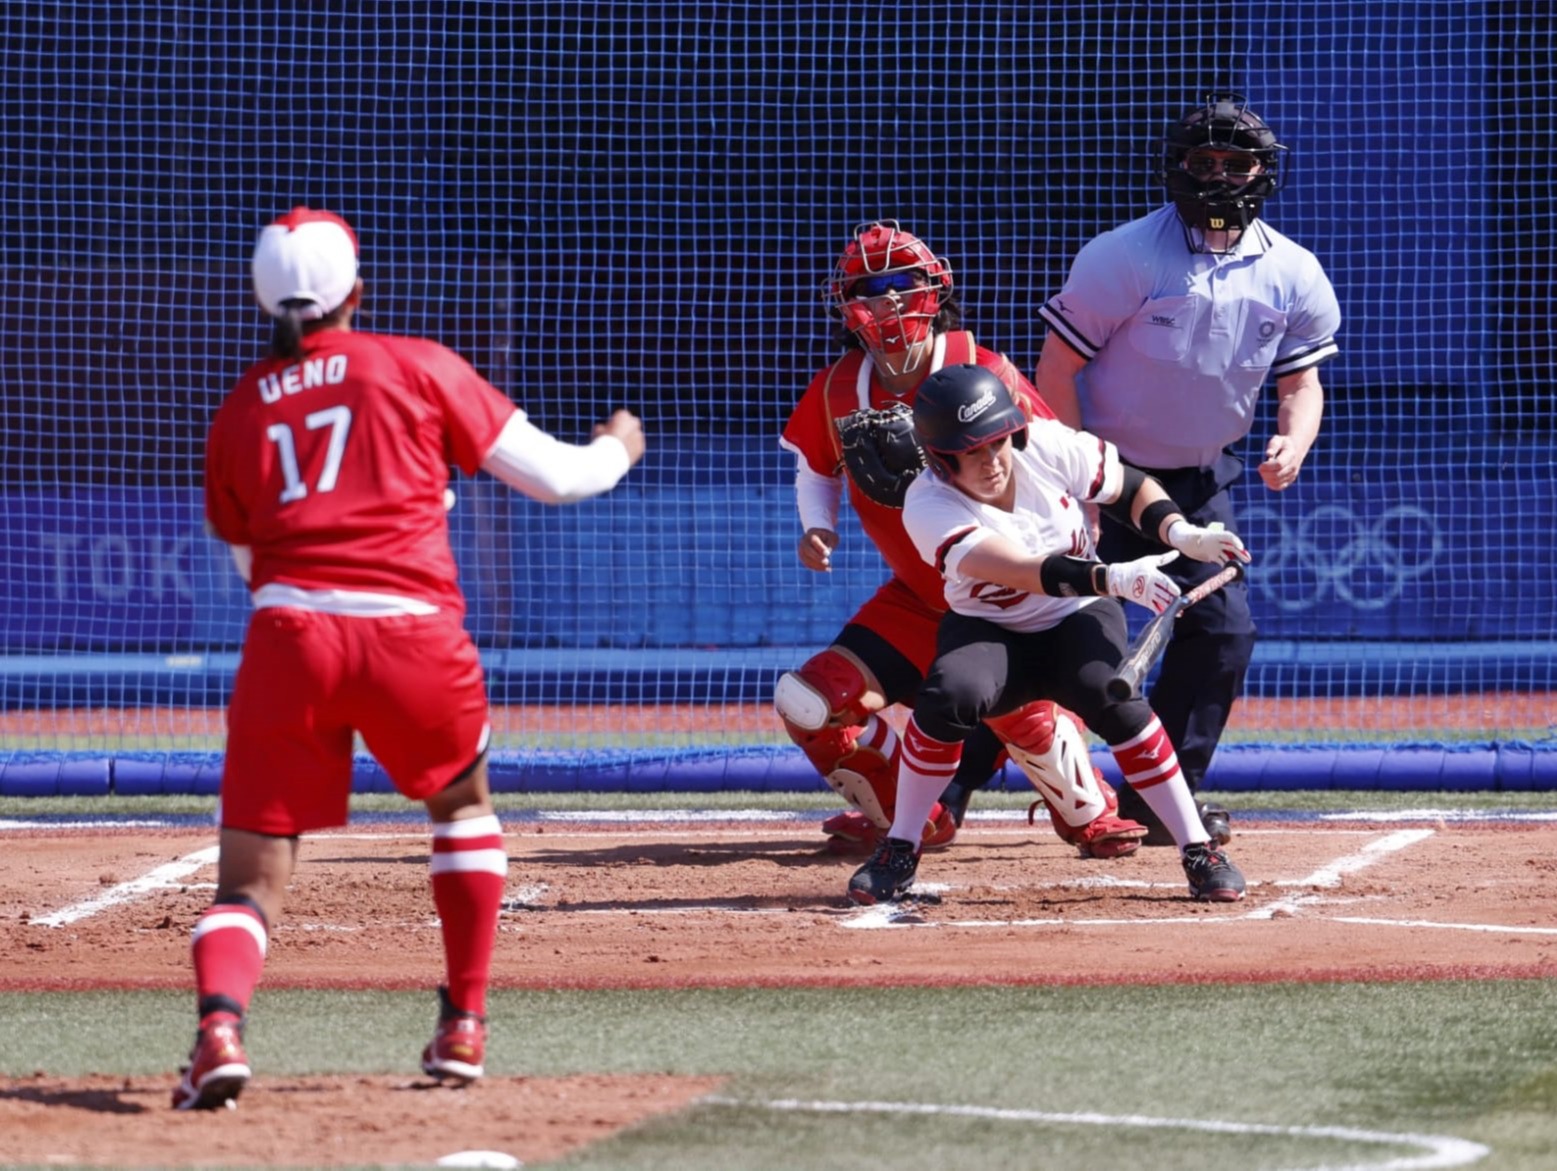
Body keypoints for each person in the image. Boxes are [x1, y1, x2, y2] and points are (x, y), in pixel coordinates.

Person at [175, 206, 645, 1111]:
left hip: (291, 638)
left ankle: (220, 1029)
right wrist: (615, 448)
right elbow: (558, 480)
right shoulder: (418, 365)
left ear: (261, 296)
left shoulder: (237, 410)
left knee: (248, 879)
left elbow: (252, 569)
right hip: (412, 633)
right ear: (357, 290)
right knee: (461, 809)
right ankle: (463, 1022)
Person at [776, 220, 1146, 862]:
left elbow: (1053, 453)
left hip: (1002, 597)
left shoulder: (981, 368)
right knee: (806, 700)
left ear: (933, 288)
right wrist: (818, 524)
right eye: (872, 286)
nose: (889, 299)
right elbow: (815, 466)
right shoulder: (839, 388)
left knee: (1027, 722)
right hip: (917, 597)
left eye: (903, 283)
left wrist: (1078, 530)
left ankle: (1086, 802)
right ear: (848, 304)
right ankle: (910, 818)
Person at [1033, 92, 1341, 844]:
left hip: (1203, 487)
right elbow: (1055, 367)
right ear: (1175, 168)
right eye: (1205, 161)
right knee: (1050, 636)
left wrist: (1292, 442)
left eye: (1237, 163)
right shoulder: (1123, 256)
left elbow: (1301, 383)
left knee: (1224, 634)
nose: (1221, 177)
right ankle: (947, 794)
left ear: (1264, 174)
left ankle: (1159, 796)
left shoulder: (1294, 272)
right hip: (1103, 482)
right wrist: (1078, 478)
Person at [846, 364, 1251, 906]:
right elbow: (1019, 568)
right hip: (992, 630)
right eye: (972, 451)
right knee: (949, 696)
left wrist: (1181, 530)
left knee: (1119, 703)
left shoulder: (1045, 445)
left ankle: (1199, 851)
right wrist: (1112, 576)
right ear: (942, 459)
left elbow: (1128, 486)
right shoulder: (928, 502)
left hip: (1078, 618)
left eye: (997, 443)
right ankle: (900, 849)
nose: (992, 461)